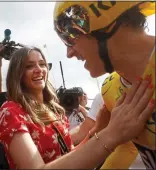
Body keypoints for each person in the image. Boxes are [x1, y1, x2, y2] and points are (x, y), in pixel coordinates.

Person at [0, 47, 154, 169]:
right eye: (29, 66)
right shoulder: (11, 111)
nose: (39, 69)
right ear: (17, 74)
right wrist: (111, 133)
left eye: (42, 64)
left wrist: (97, 131)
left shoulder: (54, 110)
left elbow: (71, 156)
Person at [53, 1, 155, 169]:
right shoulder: (110, 88)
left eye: (69, 36)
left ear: (107, 23)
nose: (69, 53)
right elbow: (125, 149)